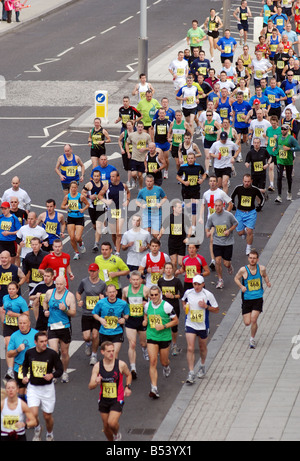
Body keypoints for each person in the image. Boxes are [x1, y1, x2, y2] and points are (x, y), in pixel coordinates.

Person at [22, 331, 63, 441]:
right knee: (33, 414)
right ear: (35, 342)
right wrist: (25, 376)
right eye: (41, 342)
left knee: (47, 416)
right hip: (33, 387)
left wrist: (52, 375)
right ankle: (37, 428)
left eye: (46, 341)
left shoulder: (52, 354)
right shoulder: (29, 353)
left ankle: (49, 434)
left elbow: (60, 369)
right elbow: (25, 365)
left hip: (47, 389)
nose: (44, 343)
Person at [88, 341, 132, 442]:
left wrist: (127, 387)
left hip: (117, 398)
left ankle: (116, 434)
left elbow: (128, 375)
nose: (111, 353)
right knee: (106, 426)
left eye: (113, 351)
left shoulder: (120, 364)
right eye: (108, 351)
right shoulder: (98, 366)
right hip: (104, 399)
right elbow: (90, 386)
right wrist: (96, 382)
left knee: (112, 422)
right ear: (102, 352)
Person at [143, 285, 179, 399]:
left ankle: (166, 366)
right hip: (151, 336)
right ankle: (154, 388)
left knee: (163, 362)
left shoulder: (167, 306)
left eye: (156, 295)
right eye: (151, 295)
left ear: (160, 294)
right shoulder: (147, 305)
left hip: (164, 337)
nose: (154, 297)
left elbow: (176, 320)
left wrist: (164, 326)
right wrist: (145, 321)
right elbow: (146, 315)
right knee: (153, 361)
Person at [183, 275, 219, 384]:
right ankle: (191, 372)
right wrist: (185, 306)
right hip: (190, 324)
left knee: (202, 347)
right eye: (195, 284)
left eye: (199, 284)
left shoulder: (208, 295)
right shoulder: (188, 292)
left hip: (203, 325)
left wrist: (206, 307)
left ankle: (202, 365)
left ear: (203, 284)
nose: (196, 286)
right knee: (190, 348)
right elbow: (183, 300)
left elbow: (217, 309)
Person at [234, 249, 271, 349]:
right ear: (248, 258)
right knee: (247, 322)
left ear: (257, 259)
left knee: (253, 319)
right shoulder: (243, 270)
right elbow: (236, 278)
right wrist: (241, 287)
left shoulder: (261, 268)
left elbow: (265, 276)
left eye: (254, 258)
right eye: (250, 258)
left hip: (258, 298)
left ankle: (252, 339)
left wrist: (267, 282)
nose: (252, 260)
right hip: (247, 299)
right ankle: (252, 332)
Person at [43, 276, 76, 384]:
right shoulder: (49, 292)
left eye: (61, 284)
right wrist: (45, 310)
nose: (58, 286)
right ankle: (54, 372)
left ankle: (65, 371)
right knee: (53, 351)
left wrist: (65, 309)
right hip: (52, 326)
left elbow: (74, 313)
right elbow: (45, 301)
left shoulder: (69, 296)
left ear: (65, 284)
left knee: (64, 352)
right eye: (57, 284)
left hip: (64, 327)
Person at [200, 175, 233, 271]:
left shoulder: (221, 193)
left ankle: (225, 260)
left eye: (214, 181)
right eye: (211, 181)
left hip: (221, 220)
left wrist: (225, 214)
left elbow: (230, 204)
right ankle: (213, 260)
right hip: (211, 220)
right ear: (209, 182)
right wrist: (201, 217)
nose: (212, 182)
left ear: (217, 183)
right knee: (211, 239)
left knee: (221, 238)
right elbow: (203, 205)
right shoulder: (206, 194)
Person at [76, 263, 107, 366]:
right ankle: (88, 344)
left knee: (95, 335)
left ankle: (94, 355)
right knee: (86, 337)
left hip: (97, 314)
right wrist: (79, 300)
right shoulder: (84, 282)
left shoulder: (102, 284)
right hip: (86, 313)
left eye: (94, 271)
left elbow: (107, 298)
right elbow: (78, 292)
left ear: (98, 271)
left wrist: (103, 300)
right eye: (90, 271)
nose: (92, 273)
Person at [122, 271, 150, 379]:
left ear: (141, 280)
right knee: (132, 344)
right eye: (133, 280)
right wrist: (124, 314)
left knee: (143, 343)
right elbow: (123, 301)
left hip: (142, 320)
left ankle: (144, 349)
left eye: (137, 279)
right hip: (131, 320)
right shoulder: (125, 290)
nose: (135, 282)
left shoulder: (145, 290)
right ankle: (133, 368)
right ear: (130, 280)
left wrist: (146, 305)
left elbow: (154, 303)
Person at [206, 199, 238, 289]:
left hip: (228, 242)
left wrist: (229, 230)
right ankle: (220, 280)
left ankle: (229, 266)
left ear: (223, 206)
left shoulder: (228, 215)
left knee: (226, 263)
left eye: (219, 205)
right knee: (217, 260)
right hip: (217, 242)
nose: (217, 207)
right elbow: (207, 226)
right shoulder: (212, 217)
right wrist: (207, 232)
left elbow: (236, 223)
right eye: (216, 206)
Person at [0, 281, 29, 380]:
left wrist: (15, 315)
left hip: (18, 326)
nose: (11, 291)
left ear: (17, 290)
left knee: (19, 347)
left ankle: (21, 367)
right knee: (8, 345)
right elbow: (4, 308)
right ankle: (10, 369)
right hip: (8, 325)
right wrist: (3, 316)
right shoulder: (5, 298)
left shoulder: (21, 301)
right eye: (9, 289)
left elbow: (27, 314)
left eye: (13, 289)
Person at [92, 285, 130, 358]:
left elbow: (127, 314)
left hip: (117, 332)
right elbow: (94, 313)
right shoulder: (101, 303)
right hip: (104, 332)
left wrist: (124, 319)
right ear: (106, 293)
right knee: (107, 356)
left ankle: (115, 369)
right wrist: (100, 319)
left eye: (113, 292)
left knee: (114, 355)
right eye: (110, 292)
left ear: (116, 292)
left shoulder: (123, 303)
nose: (112, 294)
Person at [231, 174, 265, 255]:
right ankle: (244, 232)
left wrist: (260, 206)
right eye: (245, 181)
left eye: (248, 182)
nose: (246, 183)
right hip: (239, 212)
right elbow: (232, 196)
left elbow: (262, 198)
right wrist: (233, 205)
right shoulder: (238, 188)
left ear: (251, 181)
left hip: (251, 213)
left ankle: (248, 248)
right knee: (240, 233)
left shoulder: (255, 189)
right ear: (243, 181)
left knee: (250, 231)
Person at [99, 170, 130, 255]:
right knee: (113, 234)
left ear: (118, 177)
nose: (111, 178)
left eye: (113, 176)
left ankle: (117, 253)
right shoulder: (107, 186)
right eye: (110, 176)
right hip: (111, 211)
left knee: (118, 233)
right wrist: (106, 201)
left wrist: (127, 200)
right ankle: (116, 246)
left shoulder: (123, 186)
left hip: (121, 211)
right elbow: (99, 195)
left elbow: (128, 193)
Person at [6, 314, 37, 395]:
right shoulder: (14, 336)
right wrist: (17, 350)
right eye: (20, 323)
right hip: (19, 368)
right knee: (21, 392)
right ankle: (23, 406)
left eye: (24, 323)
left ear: (29, 323)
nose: (22, 325)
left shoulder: (36, 334)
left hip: (32, 367)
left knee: (30, 392)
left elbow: (45, 349)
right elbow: (9, 354)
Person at [158, 262, 184, 356]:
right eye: (166, 268)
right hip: (163, 307)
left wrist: (173, 296)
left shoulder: (176, 281)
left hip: (174, 306)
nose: (168, 270)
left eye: (170, 268)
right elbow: (158, 293)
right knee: (163, 325)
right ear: (164, 270)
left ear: (173, 270)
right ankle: (161, 345)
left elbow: (182, 294)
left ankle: (174, 345)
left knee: (174, 327)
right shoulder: (160, 281)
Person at [176, 152, 206, 232]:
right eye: (189, 158)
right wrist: (184, 182)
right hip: (186, 190)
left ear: (194, 159)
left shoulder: (198, 167)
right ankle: (188, 221)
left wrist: (202, 180)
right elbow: (177, 176)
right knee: (188, 207)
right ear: (187, 159)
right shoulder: (183, 167)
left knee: (194, 208)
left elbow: (204, 174)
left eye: (192, 158)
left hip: (196, 190)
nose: (190, 160)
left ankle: (193, 227)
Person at [158, 200, 191, 270]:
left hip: (181, 242)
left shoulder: (184, 217)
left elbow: (190, 228)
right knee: (173, 262)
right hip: (172, 242)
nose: (180, 209)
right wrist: (160, 235)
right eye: (179, 207)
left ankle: (183, 271)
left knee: (180, 262)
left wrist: (188, 237)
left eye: (181, 207)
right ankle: (174, 278)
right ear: (174, 208)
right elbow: (163, 228)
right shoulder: (169, 217)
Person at [61, 181, 89, 260]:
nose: (73, 189)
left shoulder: (81, 197)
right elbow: (62, 206)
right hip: (71, 217)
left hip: (79, 217)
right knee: (72, 237)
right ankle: (76, 252)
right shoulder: (67, 197)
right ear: (70, 188)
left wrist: (83, 209)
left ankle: (80, 243)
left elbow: (87, 204)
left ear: (77, 188)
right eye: (72, 187)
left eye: (75, 187)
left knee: (77, 238)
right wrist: (66, 206)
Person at [82, 169, 107, 253]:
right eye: (95, 176)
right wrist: (89, 196)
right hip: (92, 207)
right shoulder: (89, 184)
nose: (96, 178)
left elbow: (108, 194)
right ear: (92, 176)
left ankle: (96, 244)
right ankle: (98, 234)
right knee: (94, 225)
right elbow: (82, 193)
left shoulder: (104, 184)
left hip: (101, 207)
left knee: (99, 225)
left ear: (100, 177)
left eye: (97, 176)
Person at [274, 123, 300, 202]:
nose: (283, 130)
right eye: (282, 129)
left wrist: (289, 149)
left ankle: (289, 191)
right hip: (280, 160)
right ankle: (279, 196)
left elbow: (298, 148)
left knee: (289, 177)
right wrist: (275, 148)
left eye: (285, 129)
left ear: (288, 130)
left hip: (288, 161)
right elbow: (277, 145)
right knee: (279, 177)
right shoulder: (278, 137)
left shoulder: (291, 138)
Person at [126, 120, 151, 188]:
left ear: (143, 128)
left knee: (140, 175)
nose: (140, 128)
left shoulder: (147, 136)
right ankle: (134, 179)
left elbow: (151, 147)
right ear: (136, 127)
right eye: (139, 127)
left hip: (143, 159)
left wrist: (145, 149)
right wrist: (128, 153)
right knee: (133, 174)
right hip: (134, 157)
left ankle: (140, 188)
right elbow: (127, 143)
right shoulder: (132, 135)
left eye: (141, 127)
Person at [150, 108, 170, 179]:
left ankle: (166, 171)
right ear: (158, 114)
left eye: (163, 113)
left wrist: (170, 138)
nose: (161, 114)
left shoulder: (168, 122)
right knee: (159, 158)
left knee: (166, 159)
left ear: (165, 114)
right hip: (158, 143)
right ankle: (159, 170)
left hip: (166, 143)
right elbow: (151, 129)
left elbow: (171, 131)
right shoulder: (154, 122)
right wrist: (152, 139)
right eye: (160, 113)